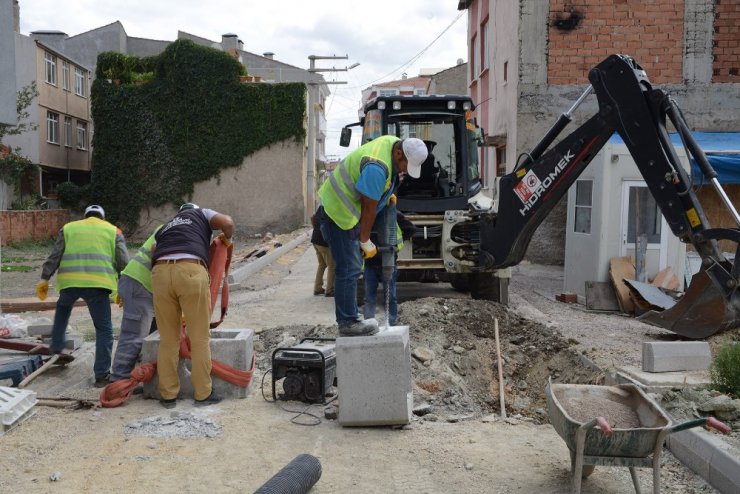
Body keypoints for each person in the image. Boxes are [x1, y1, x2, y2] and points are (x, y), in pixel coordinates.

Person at [316, 135, 427, 336]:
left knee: (352, 266)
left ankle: (350, 318)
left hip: (346, 211)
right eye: (404, 165)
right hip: (338, 212)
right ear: (399, 153)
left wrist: (388, 192)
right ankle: (347, 322)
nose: (404, 170)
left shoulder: (393, 143)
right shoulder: (376, 167)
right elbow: (369, 208)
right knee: (349, 267)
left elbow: (381, 191)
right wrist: (364, 240)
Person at [151, 203, 234, 408]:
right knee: (199, 337)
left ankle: (168, 396)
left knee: (168, 339)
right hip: (190, 270)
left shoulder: (167, 225)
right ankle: (203, 393)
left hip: (160, 274)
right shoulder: (201, 214)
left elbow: (154, 249)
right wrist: (228, 239)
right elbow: (227, 222)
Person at [36, 205, 130, 387]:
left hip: (69, 283)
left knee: (62, 312)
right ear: (102, 217)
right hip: (98, 285)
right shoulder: (113, 230)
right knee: (104, 330)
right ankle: (101, 375)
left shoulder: (69, 228)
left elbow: (55, 255)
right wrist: (123, 287)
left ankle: (57, 348)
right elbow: (123, 261)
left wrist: (44, 278)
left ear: (85, 216)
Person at [109, 225, 161, 383]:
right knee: (134, 335)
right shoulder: (172, 229)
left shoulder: (174, 228)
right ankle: (119, 380)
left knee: (155, 333)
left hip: (145, 287)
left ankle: (142, 374)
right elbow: (156, 251)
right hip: (140, 285)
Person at [363, 213, 416, 327]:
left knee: (390, 295)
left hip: (388, 262)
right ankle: (369, 323)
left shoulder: (392, 214)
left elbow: (411, 229)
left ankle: (391, 322)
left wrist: (397, 244)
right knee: (369, 296)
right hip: (370, 263)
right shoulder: (366, 213)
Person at [311, 211, 335, 297]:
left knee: (322, 264)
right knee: (332, 266)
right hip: (323, 243)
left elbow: (312, 218)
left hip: (315, 240)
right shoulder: (330, 210)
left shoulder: (321, 208)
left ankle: (317, 288)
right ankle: (330, 290)